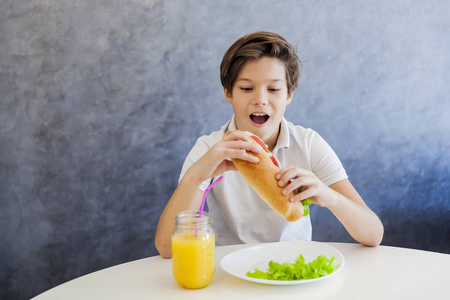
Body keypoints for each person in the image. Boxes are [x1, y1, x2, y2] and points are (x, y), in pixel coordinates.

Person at [155, 31, 383, 258]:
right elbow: (167, 248)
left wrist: (328, 195)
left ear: (289, 95)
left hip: (293, 272)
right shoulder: (209, 148)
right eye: (246, 88)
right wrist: (197, 176)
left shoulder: (308, 144)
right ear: (228, 93)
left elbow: (373, 235)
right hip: (229, 273)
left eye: (273, 89)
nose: (260, 99)